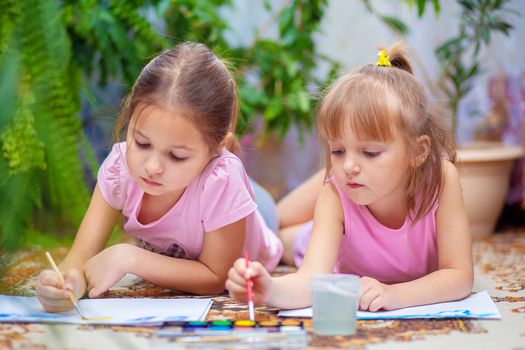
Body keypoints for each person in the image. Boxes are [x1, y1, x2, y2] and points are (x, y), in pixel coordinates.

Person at [36, 42, 283, 312]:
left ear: (216, 148)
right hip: (219, 203)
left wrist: (129, 257)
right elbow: (79, 258)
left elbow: (216, 277)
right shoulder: (120, 168)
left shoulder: (222, 180)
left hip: (256, 218)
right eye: (142, 143)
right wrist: (65, 284)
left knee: (286, 229)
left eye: (176, 156)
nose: (152, 167)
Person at [226, 44, 473, 311]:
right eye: (337, 150)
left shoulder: (441, 178)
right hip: (320, 236)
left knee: (318, 194)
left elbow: (459, 276)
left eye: (370, 152)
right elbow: (310, 279)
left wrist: (395, 295)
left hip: (349, 212)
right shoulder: (335, 195)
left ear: (418, 151)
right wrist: (269, 289)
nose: (350, 166)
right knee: (272, 231)